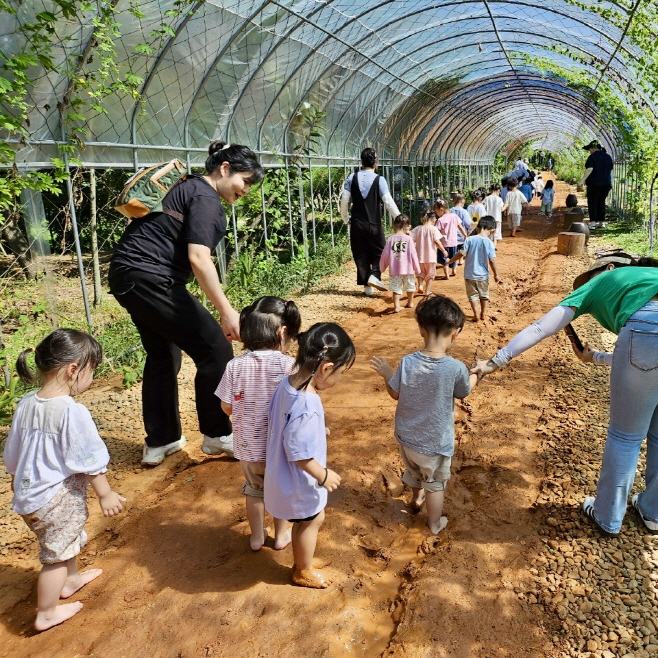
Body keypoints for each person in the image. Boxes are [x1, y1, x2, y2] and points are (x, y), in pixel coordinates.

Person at [471, 254, 658, 536]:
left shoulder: (599, 282)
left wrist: (494, 361)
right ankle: (653, 512)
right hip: (647, 338)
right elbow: (644, 362)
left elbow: (540, 328)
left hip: (646, 332)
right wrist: (594, 357)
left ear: (608, 268)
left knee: (625, 437)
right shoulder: (647, 279)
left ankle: (608, 516)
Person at [109, 142, 264, 466]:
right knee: (214, 347)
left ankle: (161, 440)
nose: (246, 190)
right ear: (224, 168)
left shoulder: (187, 188)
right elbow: (199, 258)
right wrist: (227, 312)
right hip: (151, 277)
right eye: (245, 181)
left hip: (128, 277)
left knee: (163, 353)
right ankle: (216, 434)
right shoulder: (206, 198)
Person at [3, 329, 125, 631]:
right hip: (53, 498)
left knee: (65, 540)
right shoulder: (72, 411)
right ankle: (46, 612)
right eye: (92, 370)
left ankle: (71, 580)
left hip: (30, 494)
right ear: (73, 369)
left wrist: (15, 477)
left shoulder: (27, 403)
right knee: (55, 556)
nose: (92, 377)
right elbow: (89, 458)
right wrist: (105, 494)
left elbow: (14, 449)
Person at [370, 295, 478, 534]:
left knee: (415, 471)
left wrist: (388, 373)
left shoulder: (408, 362)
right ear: (456, 332)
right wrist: (477, 374)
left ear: (421, 330)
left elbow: (395, 393)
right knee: (435, 483)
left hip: (407, 439)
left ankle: (416, 500)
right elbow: (464, 391)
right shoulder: (456, 367)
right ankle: (434, 523)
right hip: (434, 444)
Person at [265, 323, 356, 588]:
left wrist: (317, 428)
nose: (339, 379)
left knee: (307, 519)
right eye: (341, 372)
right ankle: (302, 569)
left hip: (279, 473)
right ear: (327, 368)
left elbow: (285, 422)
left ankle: (302, 560)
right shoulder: (308, 403)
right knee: (311, 519)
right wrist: (323, 474)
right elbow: (298, 453)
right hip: (297, 480)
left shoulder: (288, 385)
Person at [215, 296, 301, 552]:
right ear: (282, 332)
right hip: (281, 450)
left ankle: (256, 537)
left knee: (254, 491)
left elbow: (227, 406)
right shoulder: (290, 365)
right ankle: (282, 535)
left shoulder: (234, 366)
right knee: (280, 490)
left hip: (249, 449)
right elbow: (300, 405)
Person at [340, 148, 400, 296]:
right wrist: (398, 219)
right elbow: (388, 202)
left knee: (360, 253)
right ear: (376, 162)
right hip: (374, 224)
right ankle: (375, 275)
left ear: (361, 161)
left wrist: (345, 218)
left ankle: (368, 287)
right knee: (380, 250)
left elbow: (344, 200)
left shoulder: (351, 178)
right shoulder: (379, 180)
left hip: (357, 224)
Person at [448, 216, 501, 322]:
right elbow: (492, 260)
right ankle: (483, 313)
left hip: (469, 274)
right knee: (484, 295)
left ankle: (476, 314)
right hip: (483, 276)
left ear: (477, 228)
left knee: (472, 295)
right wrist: (496, 274)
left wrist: (450, 261)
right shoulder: (489, 243)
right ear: (492, 230)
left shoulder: (469, 239)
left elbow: (461, 253)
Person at [380, 214, 421, 312]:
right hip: (408, 268)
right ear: (406, 226)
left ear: (394, 226)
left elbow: (385, 254)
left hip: (395, 269)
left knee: (396, 288)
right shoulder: (409, 239)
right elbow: (413, 254)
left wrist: (382, 267)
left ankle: (397, 306)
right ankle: (410, 302)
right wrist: (417, 268)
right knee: (410, 286)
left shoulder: (390, 239)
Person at [411, 211, 448, 297]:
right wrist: (443, 250)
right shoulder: (433, 229)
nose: (435, 219)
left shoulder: (418, 229)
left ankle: (420, 285)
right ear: (432, 219)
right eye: (435, 218)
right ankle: (427, 291)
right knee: (430, 274)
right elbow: (437, 242)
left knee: (420, 273)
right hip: (430, 257)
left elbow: (411, 240)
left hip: (419, 257)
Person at [581, 140, 614, 226]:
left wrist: (582, 180)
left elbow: (589, 169)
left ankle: (592, 223)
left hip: (594, 184)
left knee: (593, 202)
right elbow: (610, 170)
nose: (589, 151)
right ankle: (602, 222)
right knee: (601, 202)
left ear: (594, 148)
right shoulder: (608, 157)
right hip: (606, 184)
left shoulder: (592, 157)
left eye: (590, 149)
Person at [435, 199, 468, 279]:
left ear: (441, 210)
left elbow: (436, 231)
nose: (437, 214)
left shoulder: (440, 220)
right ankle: (454, 270)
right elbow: (460, 226)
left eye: (437, 212)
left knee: (445, 261)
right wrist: (465, 235)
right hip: (454, 243)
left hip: (444, 244)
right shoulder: (454, 216)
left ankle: (446, 276)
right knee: (453, 258)